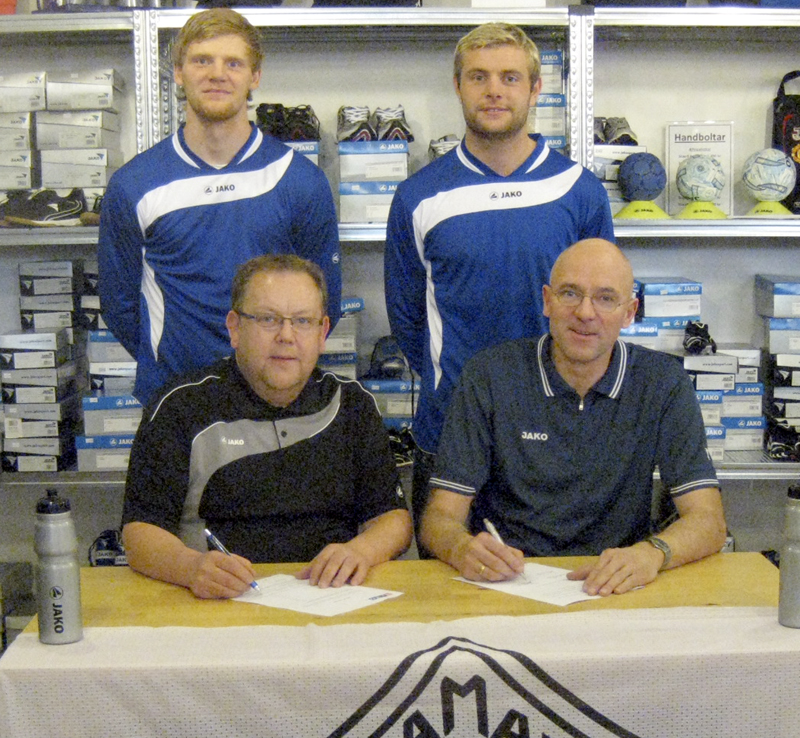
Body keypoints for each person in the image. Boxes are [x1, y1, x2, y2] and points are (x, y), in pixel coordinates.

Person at [384, 22, 614, 543]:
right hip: (451, 432)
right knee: (447, 584)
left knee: (560, 584)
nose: (494, 90)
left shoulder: (578, 190)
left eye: (510, 77)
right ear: (458, 86)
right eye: (478, 77)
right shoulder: (418, 196)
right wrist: (463, 385)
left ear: (535, 89)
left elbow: (602, 311)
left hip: (559, 431)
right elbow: (407, 318)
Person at [420, 239, 726, 596]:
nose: (585, 312)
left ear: (630, 312)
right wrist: (461, 548)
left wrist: (652, 553)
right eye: (570, 294)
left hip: (617, 587)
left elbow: (709, 521)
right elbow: (439, 518)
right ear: (547, 301)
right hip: (508, 584)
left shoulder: (662, 382)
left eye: (606, 298)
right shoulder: (489, 376)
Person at [121, 254, 412, 599]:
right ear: (235, 328)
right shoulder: (179, 408)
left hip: (331, 598)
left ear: (322, 333)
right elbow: (139, 532)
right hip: (217, 604)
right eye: (268, 319)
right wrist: (190, 567)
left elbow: (393, 519)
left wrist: (361, 551)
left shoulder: (352, 406)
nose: (286, 336)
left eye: (302, 321)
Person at [98, 8, 341, 406]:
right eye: (202, 61)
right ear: (179, 73)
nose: (217, 74)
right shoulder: (133, 185)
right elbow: (119, 306)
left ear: (254, 77)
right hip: (174, 400)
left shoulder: (299, 180)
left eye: (233, 63)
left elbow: (325, 302)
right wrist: (169, 361)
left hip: (275, 401)